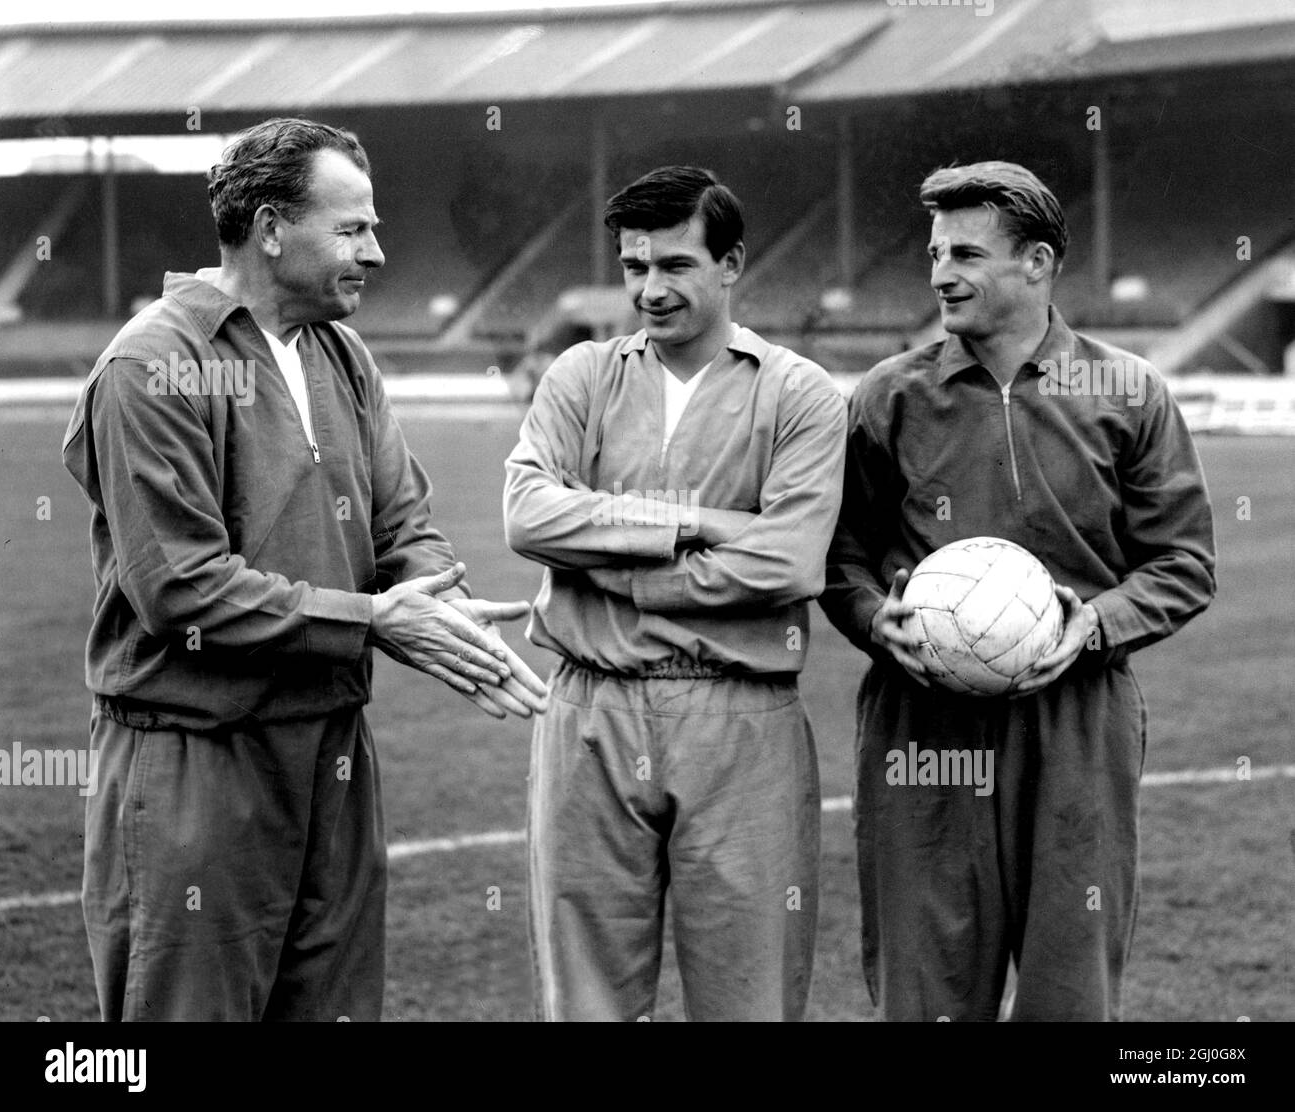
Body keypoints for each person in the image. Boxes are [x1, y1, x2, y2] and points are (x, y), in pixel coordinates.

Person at [61, 117, 548, 1022]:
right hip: (196, 758)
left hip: (333, 755)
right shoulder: (154, 362)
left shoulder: (343, 354)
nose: (378, 251)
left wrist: (435, 603)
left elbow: (407, 524)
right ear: (271, 227)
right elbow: (180, 589)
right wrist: (373, 619)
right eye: (353, 228)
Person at [819, 160, 1216, 1021]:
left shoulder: (1126, 390)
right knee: (925, 991)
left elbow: (1184, 562)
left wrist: (1096, 625)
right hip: (923, 722)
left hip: (1076, 719)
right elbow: (837, 557)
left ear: (1036, 263)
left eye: (964, 253)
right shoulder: (889, 397)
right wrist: (868, 618)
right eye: (933, 252)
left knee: (1069, 992)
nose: (939, 273)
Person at [503, 165, 846, 1021]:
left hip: (739, 715)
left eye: (675, 267)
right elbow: (529, 516)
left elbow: (789, 564)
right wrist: (700, 525)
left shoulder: (798, 392)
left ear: (731, 264)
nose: (650, 291)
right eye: (634, 268)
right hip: (590, 710)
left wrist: (611, 570)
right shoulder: (579, 376)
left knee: (748, 996)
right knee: (585, 1001)